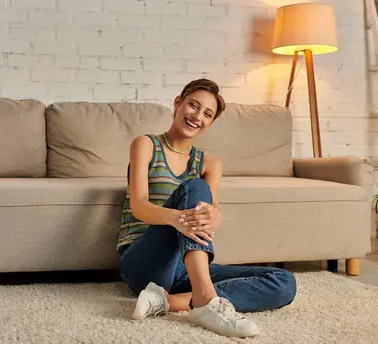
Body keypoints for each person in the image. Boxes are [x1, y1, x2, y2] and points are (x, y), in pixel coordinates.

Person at [117, 78, 297, 338]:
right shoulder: (146, 144)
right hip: (143, 261)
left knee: (284, 283)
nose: (197, 116)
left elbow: (213, 211)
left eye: (207, 114)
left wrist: (215, 216)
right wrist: (176, 218)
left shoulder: (210, 163)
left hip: (184, 267)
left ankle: (169, 301)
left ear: (211, 123)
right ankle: (204, 299)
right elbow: (139, 206)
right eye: (193, 105)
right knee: (196, 189)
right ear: (178, 103)